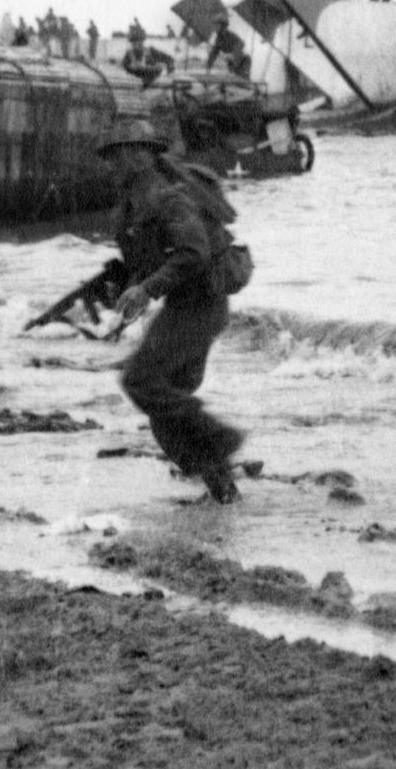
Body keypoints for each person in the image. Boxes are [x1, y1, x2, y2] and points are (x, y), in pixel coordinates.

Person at [101, 119, 248, 504]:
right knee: (164, 406)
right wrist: (126, 284)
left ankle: (222, 439)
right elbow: (149, 257)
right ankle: (223, 492)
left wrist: (146, 289)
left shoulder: (170, 198)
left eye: (118, 157)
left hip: (202, 306)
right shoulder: (134, 204)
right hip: (186, 306)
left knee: (140, 382)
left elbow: (193, 254)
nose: (112, 166)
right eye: (111, 158)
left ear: (141, 157)